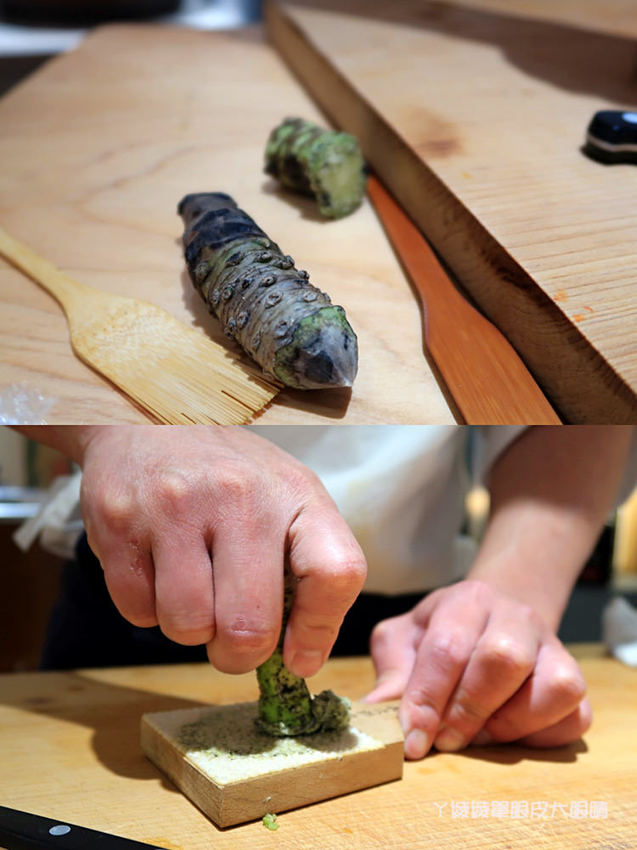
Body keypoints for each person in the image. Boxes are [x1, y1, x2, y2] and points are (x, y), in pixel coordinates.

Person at [13, 424, 636, 760]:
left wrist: (512, 592)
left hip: (405, 632)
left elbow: (572, 397)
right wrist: (107, 427)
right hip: (139, 592)